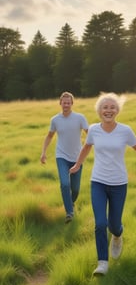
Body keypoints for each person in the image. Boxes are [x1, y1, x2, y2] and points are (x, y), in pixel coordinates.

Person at [69, 92, 136, 276]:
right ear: (99, 111)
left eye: (112, 107)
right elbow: (86, 147)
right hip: (98, 182)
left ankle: (117, 236)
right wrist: (77, 164)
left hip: (119, 183)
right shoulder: (93, 129)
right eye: (105, 107)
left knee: (114, 225)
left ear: (117, 110)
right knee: (100, 223)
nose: (108, 110)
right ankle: (102, 263)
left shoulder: (125, 130)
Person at [40, 91, 89, 224]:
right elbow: (49, 136)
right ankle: (69, 212)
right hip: (61, 156)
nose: (66, 105)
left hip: (77, 158)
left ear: (72, 104)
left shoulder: (80, 118)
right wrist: (43, 152)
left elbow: (89, 133)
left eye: (68, 102)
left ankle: (70, 203)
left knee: (76, 189)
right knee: (64, 184)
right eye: (64, 102)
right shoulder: (55, 120)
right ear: (60, 103)